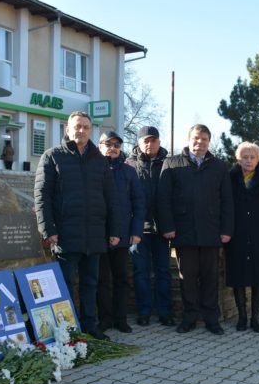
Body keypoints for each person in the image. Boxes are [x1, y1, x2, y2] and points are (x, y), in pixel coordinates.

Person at [34, 111, 122, 339]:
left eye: (85, 127)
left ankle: (90, 328)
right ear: (67, 129)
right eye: (77, 126)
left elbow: (111, 198)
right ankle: (65, 331)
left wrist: (114, 230)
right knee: (64, 286)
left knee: (90, 285)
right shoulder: (52, 156)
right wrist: (48, 229)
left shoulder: (99, 161)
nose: (81, 130)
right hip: (65, 234)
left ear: (90, 130)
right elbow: (42, 195)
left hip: (94, 235)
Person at [157, 124, 234, 335]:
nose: (199, 142)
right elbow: (163, 199)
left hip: (211, 231)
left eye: (204, 139)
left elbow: (227, 200)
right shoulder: (172, 163)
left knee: (211, 278)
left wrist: (226, 229)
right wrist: (168, 227)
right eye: (196, 138)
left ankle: (211, 319)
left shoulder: (219, 166)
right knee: (187, 278)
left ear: (209, 142)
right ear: (189, 139)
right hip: (183, 231)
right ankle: (189, 317)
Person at [226, 142, 259, 332]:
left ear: (258, 159)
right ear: (238, 158)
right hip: (237, 235)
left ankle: (255, 317)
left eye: (252, 157)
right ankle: (242, 317)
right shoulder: (230, 178)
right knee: (238, 276)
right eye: (245, 157)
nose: (248, 160)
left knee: (258, 275)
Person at [96, 130, 145, 334]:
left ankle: (120, 318)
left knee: (121, 279)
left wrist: (136, 231)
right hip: (98, 233)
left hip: (124, 234)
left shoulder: (129, 172)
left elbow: (139, 202)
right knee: (101, 280)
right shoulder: (94, 169)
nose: (113, 148)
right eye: (108, 144)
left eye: (116, 145)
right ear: (100, 146)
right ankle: (105, 318)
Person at [126, 126, 175, 327]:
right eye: (145, 140)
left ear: (159, 142)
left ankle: (165, 311)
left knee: (163, 271)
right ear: (138, 143)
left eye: (153, 140)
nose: (149, 144)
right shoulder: (129, 165)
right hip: (138, 229)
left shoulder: (169, 164)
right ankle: (144, 311)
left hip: (162, 228)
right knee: (140, 272)